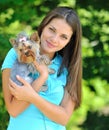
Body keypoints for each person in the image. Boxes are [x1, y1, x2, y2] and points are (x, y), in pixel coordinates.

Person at [2, 6, 82, 130]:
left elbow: (64, 118)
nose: (54, 39)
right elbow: (13, 110)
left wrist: (32, 96)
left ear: (70, 41)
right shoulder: (17, 54)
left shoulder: (67, 67)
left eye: (63, 37)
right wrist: (42, 77)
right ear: (43, 26)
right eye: (52, 30)